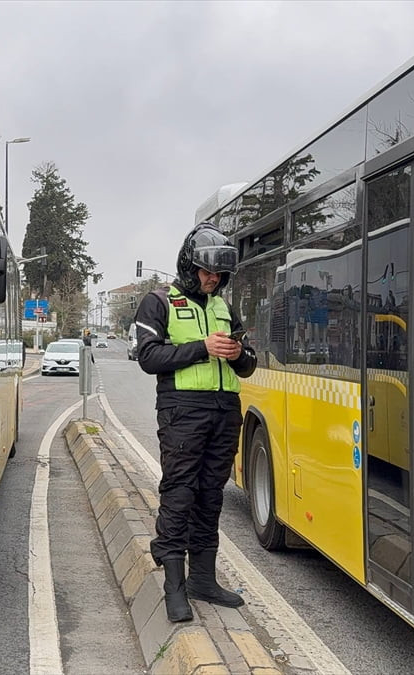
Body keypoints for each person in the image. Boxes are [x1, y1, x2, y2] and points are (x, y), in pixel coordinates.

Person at [134, 222, 257, 623]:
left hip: (225, 411)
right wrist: (202, 348)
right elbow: (149, 358)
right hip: (182, 411)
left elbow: (249, 365)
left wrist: (237, 351)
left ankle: (203, 579)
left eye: (219, 274)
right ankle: (174, 587)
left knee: (211, 496)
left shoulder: (222, 307)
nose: (213, 279)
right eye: (206, 272)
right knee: (180, 493)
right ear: (189, 266)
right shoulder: (159, 302)